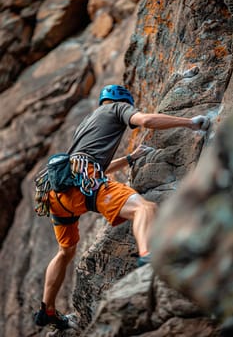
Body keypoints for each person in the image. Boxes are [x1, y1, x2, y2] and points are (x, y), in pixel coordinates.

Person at [34, 84, 210, 329]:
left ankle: (48, 310)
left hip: (57, 194)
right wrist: (190, 122)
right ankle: (148, 259)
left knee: (66, 252)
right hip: (85, 188)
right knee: (145, 209)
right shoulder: (118, 108)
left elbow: (91, 164)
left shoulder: (88, 122)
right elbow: (146, 120)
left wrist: (129, 159)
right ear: (121, 99)